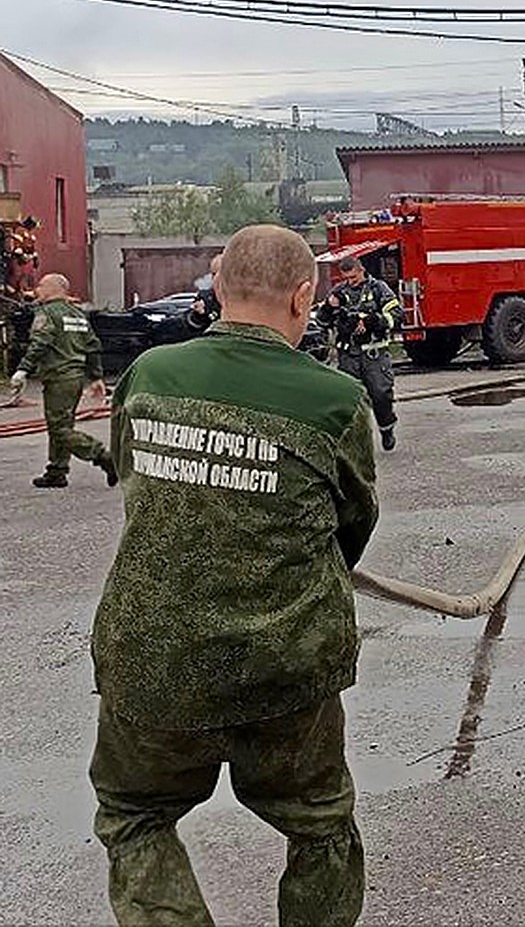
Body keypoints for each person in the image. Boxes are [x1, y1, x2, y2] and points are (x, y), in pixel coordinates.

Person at [89, 223, 378, 927]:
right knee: (319, 829)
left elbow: (133, 476)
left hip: (149, 661)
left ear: (217, 285)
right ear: (304, 296)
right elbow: (352, 527)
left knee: (136, 816)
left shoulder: (150, 375)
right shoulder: (335, 400)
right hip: (282, 669)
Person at [9, 272, 117, 489]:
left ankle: (103, 456)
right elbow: (93, 345)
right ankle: (56, 471)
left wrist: (23, 370)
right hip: (75, 378)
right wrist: (96, 376)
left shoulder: (48, 313)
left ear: (54, 289)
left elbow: (40, 342)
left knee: (59, 428)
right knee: (62, 424)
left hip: (59, 376)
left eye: (41, 285)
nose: (37, 290)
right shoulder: (77, 314)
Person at [316, 256, 401, 451]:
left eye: (354, 277)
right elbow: (322, 320)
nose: (351, 281)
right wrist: (330, 307)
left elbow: (397, 315)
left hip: (374, 355)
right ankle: (353, 442)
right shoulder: (339, 292)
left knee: (381, 395)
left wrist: (374, 320)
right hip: (348, 356)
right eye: (347, 278)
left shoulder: (378, 288)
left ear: (361, 270)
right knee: (348, 399)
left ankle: (386, 429)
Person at [188, 252, 223, 330]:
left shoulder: (239, 296)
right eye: (213, 274)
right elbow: (192, 326)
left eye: (221, 273)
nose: (216, 278)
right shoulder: (204, 297)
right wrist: (199, 315)